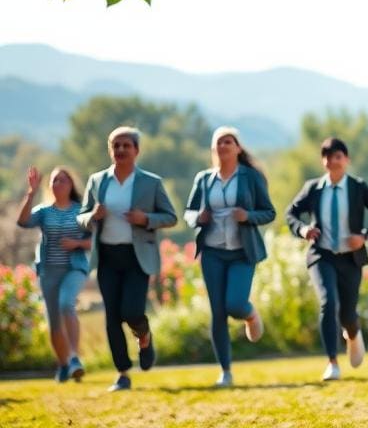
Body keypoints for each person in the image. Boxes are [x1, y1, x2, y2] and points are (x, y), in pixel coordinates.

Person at [77, 126, 177, 391]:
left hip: (137, 256)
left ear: (136, 150)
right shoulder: (98, 181)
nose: (121, 150)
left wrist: (146, 219)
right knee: (112, 318)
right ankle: (122, 373)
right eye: (116, 145)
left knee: (131, 312)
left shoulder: (150, 182)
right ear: (110, 150)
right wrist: (92, 216)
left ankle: (143, 337)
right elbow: (81, 216)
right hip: (108, 257)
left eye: (126, 145)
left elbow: (170, 217)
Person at [285, 137, 368, 382]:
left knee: (348, 314)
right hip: (321, 255)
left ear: (346, 160)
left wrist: (365, 236)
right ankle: (332, 362)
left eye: (337, 156)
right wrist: (303, 230)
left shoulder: (358, 187)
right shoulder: (313, 188)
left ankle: (353, 333)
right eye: (328, 156)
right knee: (328, 303)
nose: (332, 161)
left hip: (350, 259)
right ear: (323, 161)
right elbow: (291, 213)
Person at [184, 127, 276, 387]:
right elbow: (189, 212)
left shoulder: (250, 177)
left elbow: (268, 212)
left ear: (237, 148)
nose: (223, 146)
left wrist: (248, 216)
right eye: (218, 143)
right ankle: (225, 371)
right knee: (217, 313)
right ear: (214, 150)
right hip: (212, 252)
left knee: (234, 304)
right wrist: (197, 218)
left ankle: (250, 315)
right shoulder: (204, 179)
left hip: (242, 252)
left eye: (228, 141)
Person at [17, 165, 91, 382]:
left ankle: (75, 357)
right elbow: (22, 221)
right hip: (48, 272)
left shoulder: (81, 210)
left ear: (71, 185)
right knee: (54, 322)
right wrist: (31, 193)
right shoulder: (44, 211)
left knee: (66, 303)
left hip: (73, 269)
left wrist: (77, 243)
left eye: (63, 180)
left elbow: (94, 241)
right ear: (49, 185)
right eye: (55, 180)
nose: (59, 184)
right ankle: (64, 364)